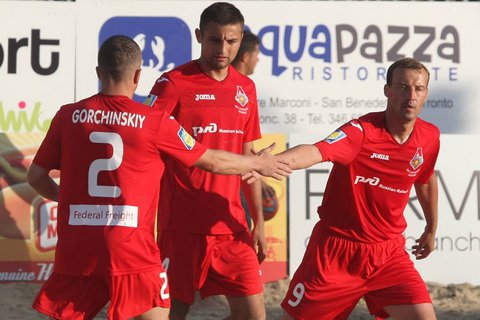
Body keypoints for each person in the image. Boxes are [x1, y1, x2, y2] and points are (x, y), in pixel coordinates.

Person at [27, 35, 290, 320]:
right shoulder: (154, 122)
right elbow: (212, 160)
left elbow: (37, 176)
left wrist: (68, 200)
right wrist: (256, 162)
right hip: (130, 247)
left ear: (99, 73)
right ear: (138, 75)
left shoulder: (67, 117)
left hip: (78, 244)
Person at [276, 58, 439, 320]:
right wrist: (272, 162)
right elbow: (317, 151)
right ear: (387, 90)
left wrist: (431, 228)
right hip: (336, 253)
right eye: (402, 87)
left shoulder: (429, 137)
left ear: (426, 94)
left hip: (388, 254)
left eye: (418, 89)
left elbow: (426, 179)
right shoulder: (361, 132)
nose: (411, 95)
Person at [147, 2, 267, 320]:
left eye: (231, 41)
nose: (223, 48)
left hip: (232, 226)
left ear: (241, 40)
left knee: (254, 316)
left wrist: (259, 223)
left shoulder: (246, 89)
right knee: (171, 315)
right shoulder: (173, 84)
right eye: (215, 40)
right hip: (182, 227)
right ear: (200, 36)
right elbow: (144, 145)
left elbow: (249, 160)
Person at [231, 30, 279, 231]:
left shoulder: (247, 88)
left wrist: (258, 177)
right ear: (245, 56)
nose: (258, 59)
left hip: (239, 177)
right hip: (228, 182)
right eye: (257, 54)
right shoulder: (230, 89)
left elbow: (245, 145)